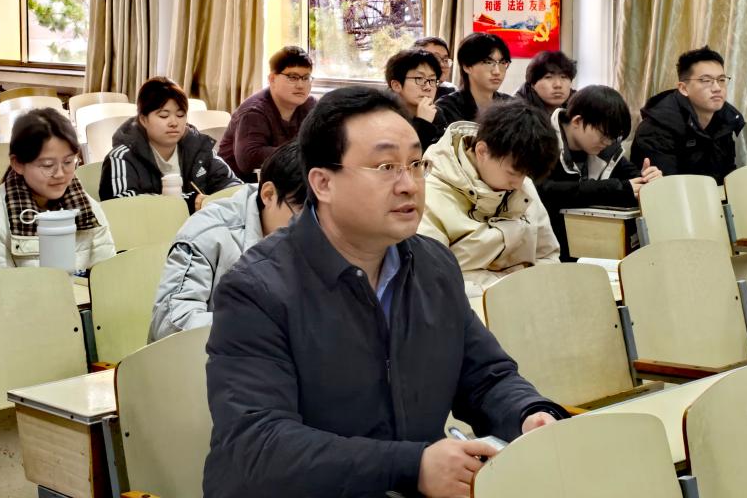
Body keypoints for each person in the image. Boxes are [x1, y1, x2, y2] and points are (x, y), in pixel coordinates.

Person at [204, 87, 566, 498]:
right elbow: (260, 446)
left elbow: (485, 376)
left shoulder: (432, 266)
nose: (409, 185)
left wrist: (528, 413)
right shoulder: (257, 289)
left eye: (416, 164)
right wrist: (412, 466)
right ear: (323, 183)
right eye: (386, 167)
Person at [150, 141, 306, 340]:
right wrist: (257, 325)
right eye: (304, 217)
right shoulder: (209, 232)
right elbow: (170, 324)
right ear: (268, 195)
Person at [419, 99, 561, 294]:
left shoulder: (522, 184)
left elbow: (547, 255)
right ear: (482, 151)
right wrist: (508, 293)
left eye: (525, 175)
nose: (519, 183)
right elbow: (432, 281)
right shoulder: (431, 192)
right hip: (468, 303)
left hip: (527, 300)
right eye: (513, 173)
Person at [0, 108, 115, 271]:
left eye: (68, 162)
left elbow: (107, 273)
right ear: (18, 164)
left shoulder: (86, 206)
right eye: (47, 165)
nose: (60, 174)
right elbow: (5, 284)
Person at [536, 86, 663, 261]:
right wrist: (614, 189)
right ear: (577, 121)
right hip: (546, 248)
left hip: (587, 245)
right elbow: (545, 191)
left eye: (614, 137)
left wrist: (647, 179)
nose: (608, 142)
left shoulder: (605, 147)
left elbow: (630, 178)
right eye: (604, 135)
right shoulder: (541, 141)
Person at [100, 77, 240, 212]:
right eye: (164, 116)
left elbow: (233, 186)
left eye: (180, 115)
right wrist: (188, 203)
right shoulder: (122, 157)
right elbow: (122, 205)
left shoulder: (199, 148)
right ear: (143, 120)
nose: (174, 123)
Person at [631, 46, 744, 183]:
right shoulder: (656, 128)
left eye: (721, 80)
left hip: (710, 194)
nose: (717, 88)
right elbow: (665, 185)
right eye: (706, 80)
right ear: (683, 88)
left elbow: (727, 176)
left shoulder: (725, 120)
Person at [218, 46, 316, 181]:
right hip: (241, 186)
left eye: (306, 78)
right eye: (292, 77)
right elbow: (249, 160)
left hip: (285, 180)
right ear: (272, 79)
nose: (301, 85)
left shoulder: (309, 105)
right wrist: (306, 150)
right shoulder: (253, 112)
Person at [436, 32, 512, 125]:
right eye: (488, 62)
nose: (497, 71)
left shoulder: (511, 106)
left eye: (503, 62)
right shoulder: (447, 108)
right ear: (467, 67)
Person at [385, 48, 447, 150]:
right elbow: (404, 155)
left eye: (432, 80)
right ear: (396, 85)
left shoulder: (436, 112)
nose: (428, 87)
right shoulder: (385, 116)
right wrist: (424, 123)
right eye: (419, 79)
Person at [514, 50, 576, 115]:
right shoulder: (517, 114)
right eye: (548, 77)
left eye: (564, 77)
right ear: (533, 84)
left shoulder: (578, 110)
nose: (558, 85)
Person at [413, 36, 455, 100]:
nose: (442, 64)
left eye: (446, 60)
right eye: (435, 58)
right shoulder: (407, 91)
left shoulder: (451, 90)